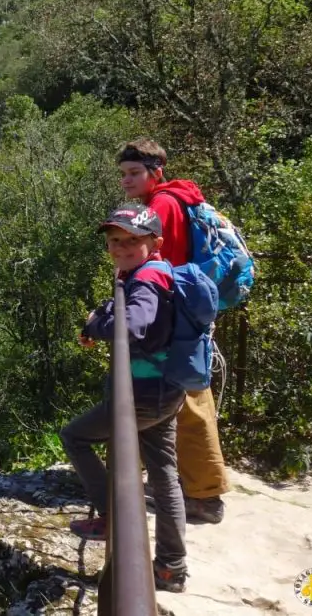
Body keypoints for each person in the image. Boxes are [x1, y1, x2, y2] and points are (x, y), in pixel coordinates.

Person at [60, 202, 188, 592]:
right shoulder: (154, 272)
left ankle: (109, 517)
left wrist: (97, 325)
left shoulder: (147, 280)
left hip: (141, 396)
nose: (121, 247)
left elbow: (132, 324)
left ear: (156, 243)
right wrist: (101, 315)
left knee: (75, 437)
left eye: (132, 240)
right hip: (167, 390)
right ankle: (171, 567)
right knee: (165, 477)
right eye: (115, 240)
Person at [116, 138, 229, 525]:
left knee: (192, 400)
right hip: (186, 308)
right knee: (189, 395)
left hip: (177, 315)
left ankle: (205, 496)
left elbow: (163, 258)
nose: (126, 181)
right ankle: (195, 487)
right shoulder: (178, 198)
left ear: (155, 172)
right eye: (124, 174)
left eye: (134, 173)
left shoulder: (162, 203)